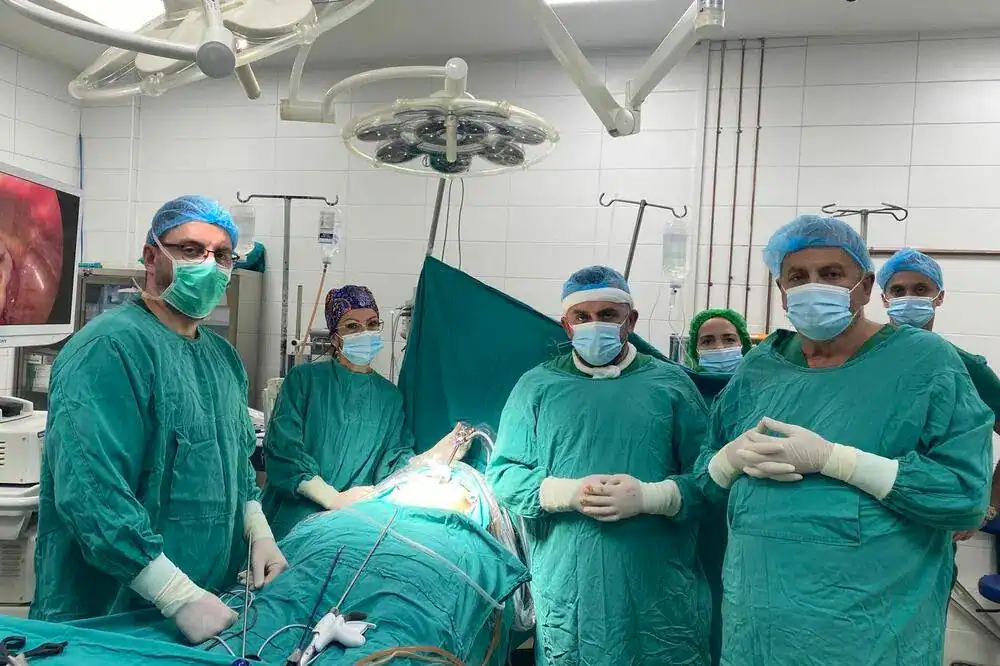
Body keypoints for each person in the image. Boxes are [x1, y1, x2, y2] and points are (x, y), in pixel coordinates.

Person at [695, 215, 993, 665]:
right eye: (798, 276)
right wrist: (726, 461)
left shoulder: (926, 362)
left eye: (831, 274)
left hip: (867, 631)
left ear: (866, 286)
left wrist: (837, 460)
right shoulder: (759, 368)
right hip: (756, 626)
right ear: (781, 291)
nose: (813, 286)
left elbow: (963, 496)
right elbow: (705, 479)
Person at [31, 195, 288, 643]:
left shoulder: (223, 358)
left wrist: (258, 530)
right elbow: (92, 495)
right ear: (152, 257)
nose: (209, 265)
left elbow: (237, 465)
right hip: (109, 615)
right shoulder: (107, 350)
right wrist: (174, 594)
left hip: (206, 605)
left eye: (221, 255)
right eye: (191, 250)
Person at [487, 265, 712, 666]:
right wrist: (566, 493)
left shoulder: (670, 386)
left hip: (655, 588)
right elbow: (504, 475)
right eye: (582, 316)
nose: (595, 325)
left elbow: (708, 480)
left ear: (631, 320)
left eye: (608, 315)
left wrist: (652, 497)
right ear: (567, 325)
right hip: (572, 588)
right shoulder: (536, 387)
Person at [261, 285, 473, 541]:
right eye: (352, 326)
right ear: (335, 338)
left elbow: (392, 465)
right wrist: (331, 497)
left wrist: (435, 456)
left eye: (372, 324)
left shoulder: (389, 397)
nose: (364, 332)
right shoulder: (304, 381)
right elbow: (283, 451)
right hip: (295, 515)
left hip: (353, 519)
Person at [878, 247, 1000, 538]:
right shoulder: (861, 358)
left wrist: (988, 505)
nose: (908, 297)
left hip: (929, 524)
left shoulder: (964, 366)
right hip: (855, 513)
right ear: (884, 298)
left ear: (939, 296)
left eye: (921, 289)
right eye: (898, 290)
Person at [686, 308, 753, 374]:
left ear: (743, 344)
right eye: (707, 341)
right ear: (695, 350)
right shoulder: (684, 380)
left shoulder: (757, 380)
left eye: (729, 340)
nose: (719, 348)